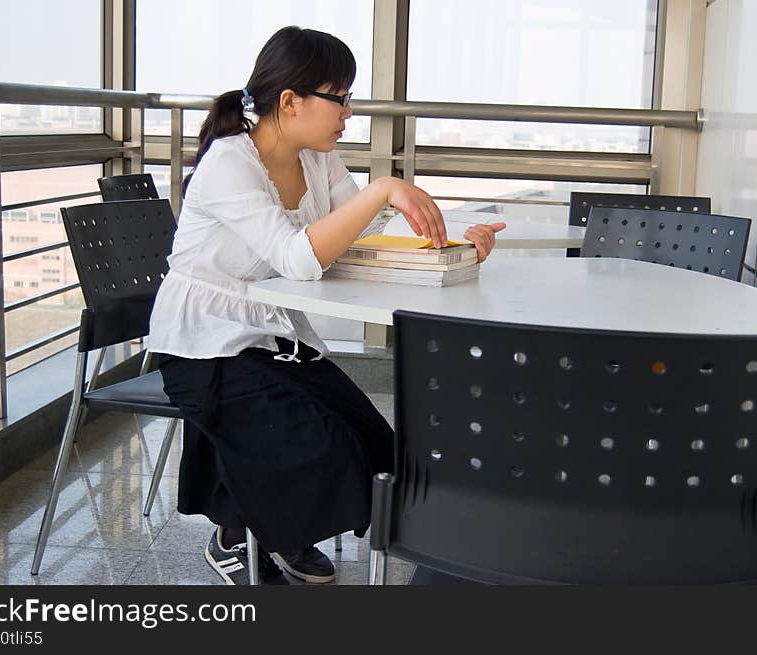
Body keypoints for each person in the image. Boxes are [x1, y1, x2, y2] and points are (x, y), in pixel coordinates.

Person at [147, 25, 505, 586]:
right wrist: (382, 187)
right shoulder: (229, 163)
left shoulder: (318, 160)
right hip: (205, 344)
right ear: (290, 102)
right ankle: (239, 535)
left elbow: (365, 237)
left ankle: (278, 530)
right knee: (324, 446)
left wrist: (456, 242)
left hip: (273, 337)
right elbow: (297, 257)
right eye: (339, 97)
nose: (348, 113)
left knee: (377, 446)